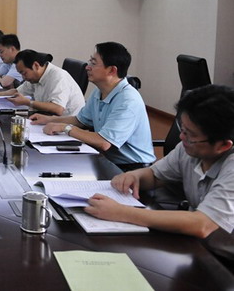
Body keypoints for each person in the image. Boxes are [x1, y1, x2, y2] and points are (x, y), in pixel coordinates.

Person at [85, 84, 234, 261]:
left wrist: (121, 212)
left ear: (223, 145)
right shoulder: (189, 148)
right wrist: (134, 176)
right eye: (182, 128)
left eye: (190, 135)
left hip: (224, 259)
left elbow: (202, 224)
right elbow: (155, 176)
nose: (182, 137)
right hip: (196, 246)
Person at [30, 42, 155, 171]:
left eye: (93, 63)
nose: (87, 67)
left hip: (132, 168)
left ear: (112, 70)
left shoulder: (128, 100)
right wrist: (49, 120)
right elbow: (80, 120)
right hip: (105, 159)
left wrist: (66, 128)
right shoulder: (99, 91)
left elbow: (104, 142)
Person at [0, 49, 85, 116]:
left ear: (36, 65)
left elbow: (58, 108)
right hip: (49, 119)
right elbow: (18, 92)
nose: (23, 78)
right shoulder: (34, 77)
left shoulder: (58, 77)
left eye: (24, 73)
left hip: (67, 127)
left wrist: (28, 102)